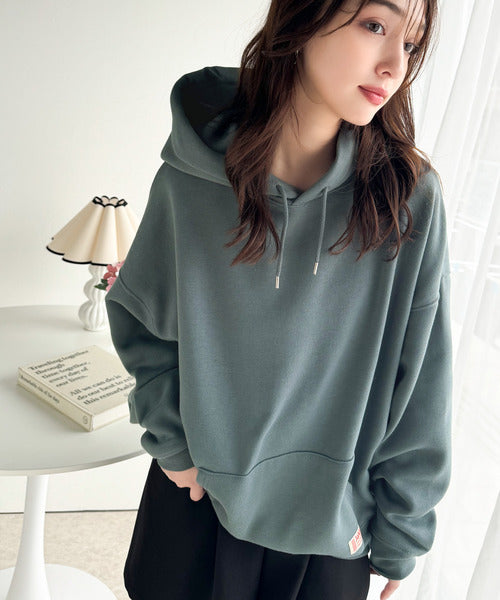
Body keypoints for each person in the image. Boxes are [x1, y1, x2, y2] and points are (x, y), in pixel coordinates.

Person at [105, 0, 453, 599]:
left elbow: (421, 383)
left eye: (412, 44)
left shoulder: (407, 200)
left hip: (331, 523)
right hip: (198, 497)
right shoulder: (193, 176)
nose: (395, 65)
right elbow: (144, 320)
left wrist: (403, 529)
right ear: (304, 15)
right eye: (376, 25)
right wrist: (173, 447)